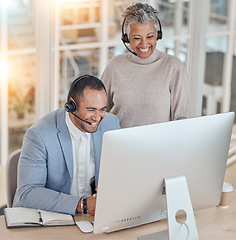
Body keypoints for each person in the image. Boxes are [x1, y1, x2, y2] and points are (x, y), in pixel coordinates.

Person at [13, 75, 120, 216]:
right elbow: (28, 192)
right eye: (91, 109)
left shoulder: (110, 123)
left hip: (93, 216)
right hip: (51, 215)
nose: (97, 117)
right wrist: (82, 205)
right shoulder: (39, 135)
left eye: (102, 110)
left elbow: (118, 169)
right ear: (72, 105)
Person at [101, 3, 192, 128]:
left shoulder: (173, 66)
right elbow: (100, 112)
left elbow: (183, 118)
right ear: (127, 39)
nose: (144, 44)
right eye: (137, 38)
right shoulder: (115, 66)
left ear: (157, 35)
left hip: (159, 145)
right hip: (120, 144)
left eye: (150, 36)